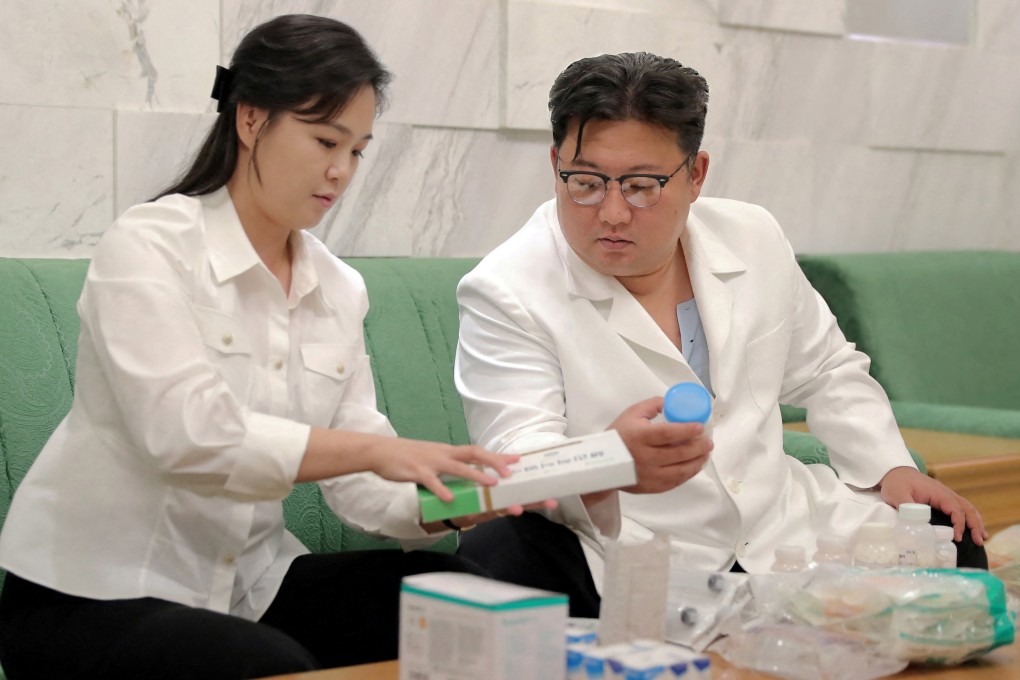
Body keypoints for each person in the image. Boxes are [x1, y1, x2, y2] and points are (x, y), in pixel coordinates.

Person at [0, 14, 532, 679]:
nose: (341, 171)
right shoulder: (149, 247)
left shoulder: (338, 287)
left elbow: (361, 486)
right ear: (252, 119)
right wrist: (382, 450)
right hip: (88, 591)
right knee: (269, 664)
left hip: (247, 588)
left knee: (479, 607)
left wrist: (466, 499)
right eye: (323, 140)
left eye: (358, 150)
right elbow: (187, 435)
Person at [454, 51, 988, 617]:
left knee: (952, 539)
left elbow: (828, 369)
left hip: (775, 523)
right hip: (624, 542)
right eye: (584, 182)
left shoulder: (752, 235)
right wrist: (608, 459)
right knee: (502, 554)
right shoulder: (506, 288)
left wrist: (891, 466)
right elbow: (515, 458)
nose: (610, 212)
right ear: (555, 163)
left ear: (696, 175)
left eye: (641, 186)